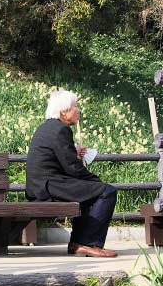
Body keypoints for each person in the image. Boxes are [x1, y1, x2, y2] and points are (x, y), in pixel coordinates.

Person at [26, 90, 118, 257]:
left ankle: (79, 243)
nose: (78, 110)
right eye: (75, 107)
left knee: (91, 191)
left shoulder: (49, 127)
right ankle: (87, 243)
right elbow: (72, 168)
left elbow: (61, 159)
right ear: (63, 112)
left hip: (42, 185)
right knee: (106, 191)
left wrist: (74, 153)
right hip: (48, 187)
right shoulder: (60, 130)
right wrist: (96, 181)